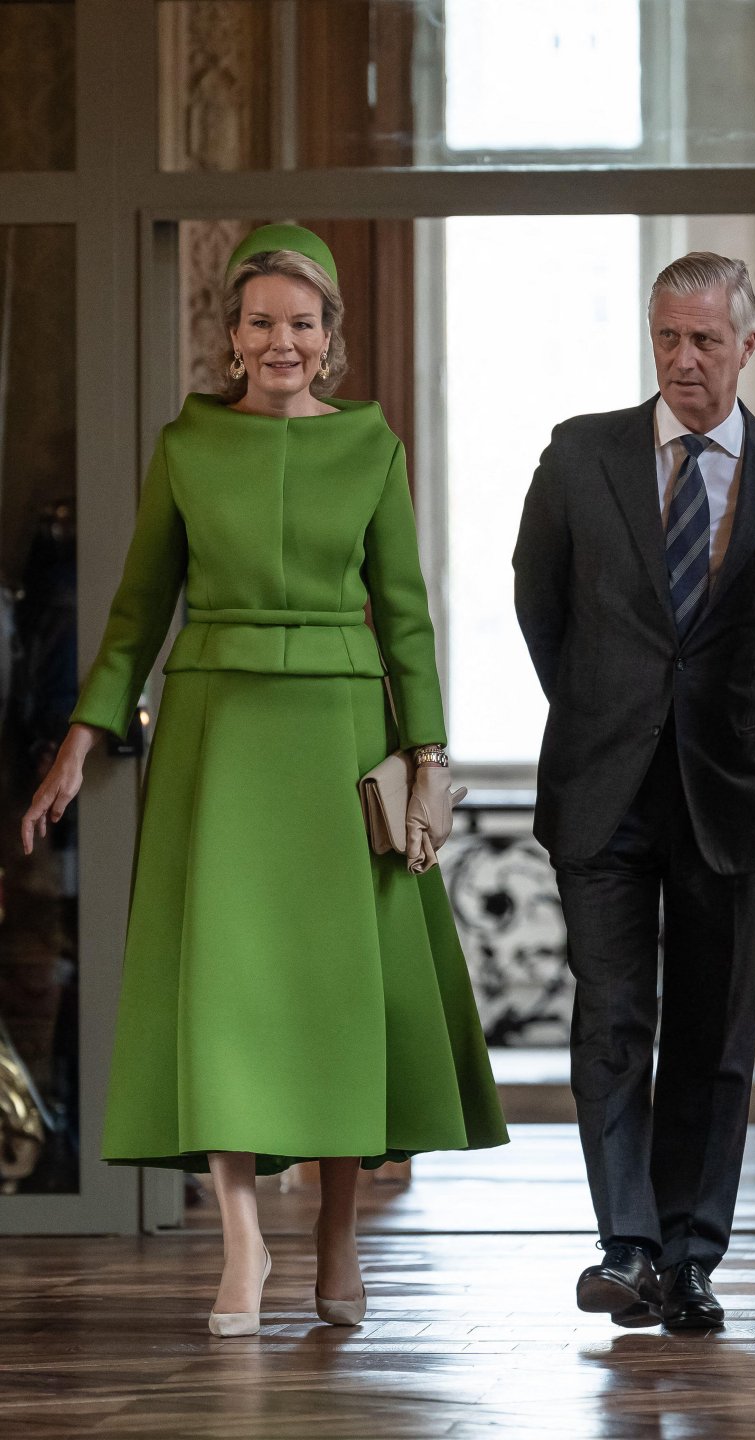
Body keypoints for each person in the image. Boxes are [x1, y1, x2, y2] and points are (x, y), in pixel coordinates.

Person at [21, 225, 507, 1336]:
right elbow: (138, 613)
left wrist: (427, 757)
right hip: (217, 736)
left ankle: (336, 1233)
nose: (280, 340)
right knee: (228, 993)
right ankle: (242, 1245)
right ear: (231, 336)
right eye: (260, 322)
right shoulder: (187, 448)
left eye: (302, 322)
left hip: (342, 737)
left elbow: (408, 618)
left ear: (329, 338)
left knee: (337, 998)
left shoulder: (373, 449)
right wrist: (78, 742)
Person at [514, 252, 755, 1331]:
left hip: (727, 787)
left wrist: (727, 712)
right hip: (603, 782)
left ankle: (695, 1256)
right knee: (611, 1020)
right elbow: (541, 605)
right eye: (667, 338)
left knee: (714, 1033)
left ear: (748, 344)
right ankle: (630, 1247)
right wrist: (611, 707)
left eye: (705, 340)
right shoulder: (579, 456)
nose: (684, 359)